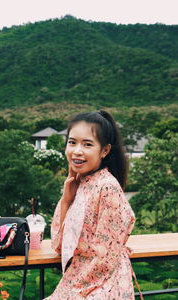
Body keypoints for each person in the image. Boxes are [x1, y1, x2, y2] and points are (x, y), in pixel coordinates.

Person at [45, 110, 136, 300]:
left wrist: (72, 292)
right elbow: (59, 245)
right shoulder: (80, 184)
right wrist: (67, 199)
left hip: (101, 288)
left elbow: (104, 259)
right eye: (72, 142)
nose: (77, 151)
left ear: (105, 150)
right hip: (80, 282)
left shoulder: (107, 187)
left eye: (87, 144)